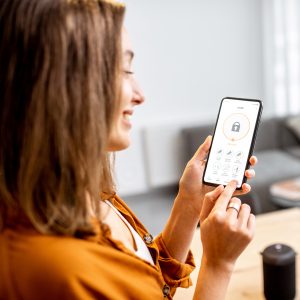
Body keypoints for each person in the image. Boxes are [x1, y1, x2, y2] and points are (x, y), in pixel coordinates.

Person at [0, 0, 257, 299]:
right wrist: (219, 265)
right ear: (62, 87)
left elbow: (147, 284)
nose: (140, 95)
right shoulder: (62, 270)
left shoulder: (86, 195)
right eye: (123, 71)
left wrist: (189, 202)